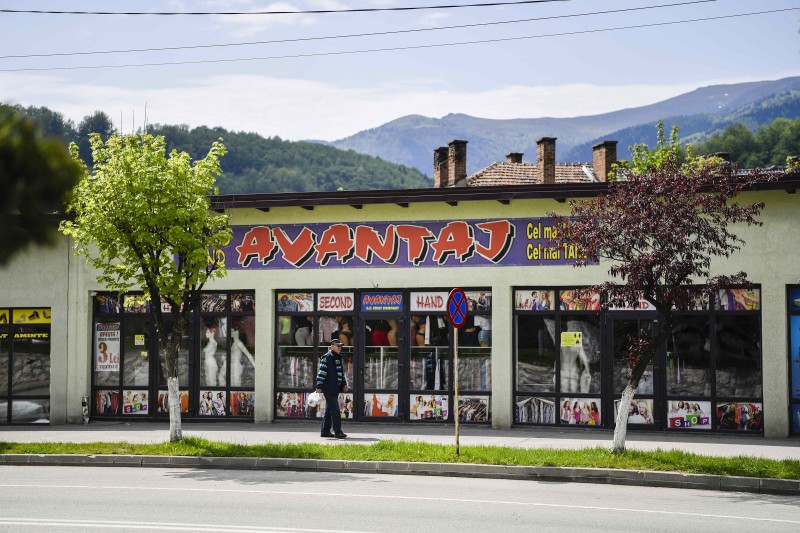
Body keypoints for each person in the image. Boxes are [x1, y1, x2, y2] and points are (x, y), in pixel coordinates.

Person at [315, 339, 349, 438]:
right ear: (332, 346)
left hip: (336, 388)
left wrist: (344, 384)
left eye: (340, 346)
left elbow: (341, 373)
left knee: (329, 410)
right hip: (328, 388)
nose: (340, 348)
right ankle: (338, 431)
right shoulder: (326, 357)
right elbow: (322, 373)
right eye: (338, 346)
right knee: (336, 410)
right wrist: (319, 386)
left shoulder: (338, 358)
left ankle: (325, 431)